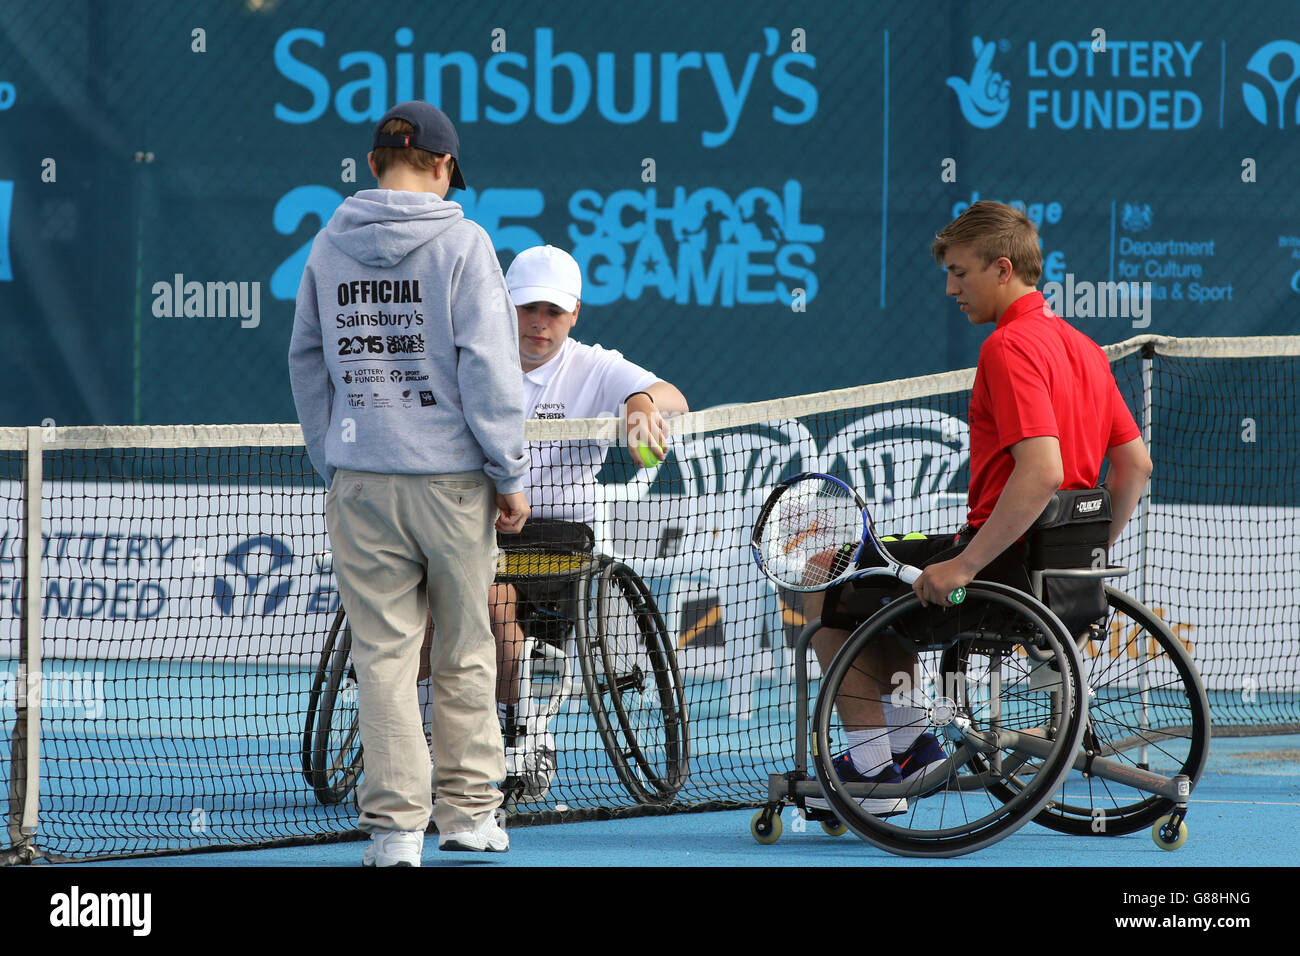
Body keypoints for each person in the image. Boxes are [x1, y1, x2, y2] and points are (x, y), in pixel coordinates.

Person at [803, 200, 1153, 816]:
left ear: (1001, 269)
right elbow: (1135, 468)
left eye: (960, 272)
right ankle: (911, 747)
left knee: (824, 571)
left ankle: (876, 770)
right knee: (877, 575)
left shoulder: (1009, 347)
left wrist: (964, 567)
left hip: (996, 569)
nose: (949, 288)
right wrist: (1084, 559)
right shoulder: (1086, 350)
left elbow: (1042, 470)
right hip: (1056, 575)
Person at [288, 100, 530, 866]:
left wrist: (337, 456)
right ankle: (467, 817)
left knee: (384, 657)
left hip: (362, 478)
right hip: (454, 482)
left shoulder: (328, 247)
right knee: (465, 650)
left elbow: (307, 359)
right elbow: (490, 368)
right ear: (443, 166)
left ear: (371, 165)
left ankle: (395, 835)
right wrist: (509, 472)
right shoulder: (463, 242)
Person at [418, 244, 688, 798]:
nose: (540, 324)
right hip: (475, 527)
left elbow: (675, 396)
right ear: (504, 306)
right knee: (427, 600)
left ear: (574, 314)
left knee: (493, 603)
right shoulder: (470, 356)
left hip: (562, 540)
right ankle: (420, 739)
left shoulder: (594, 365)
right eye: (527, 309)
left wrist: (639, 400)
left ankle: (519, 725)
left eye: (554, 312)